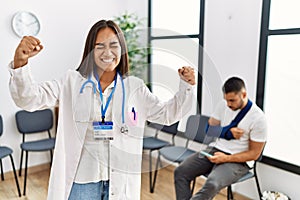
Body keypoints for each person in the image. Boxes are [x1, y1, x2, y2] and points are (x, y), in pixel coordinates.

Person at [9, 20, 196, 200]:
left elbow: (167, 114)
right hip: (82, 180)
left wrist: (185, 87)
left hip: (120, 180)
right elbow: (29, 99)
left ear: (122, 49)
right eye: (100, 46)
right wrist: (21, 63)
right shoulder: (71, 82)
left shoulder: (135, 88)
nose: (108, 52)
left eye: (113, 45)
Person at [174, 77, 267, 200]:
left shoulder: (258, 118)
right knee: (180, 171)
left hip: (238, 160)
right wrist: (227, 132)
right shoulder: (223, 105)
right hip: (215, 149)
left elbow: (254, 154)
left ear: (243, 94)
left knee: (212, 183)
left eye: (232, 100)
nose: (228, 104)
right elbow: (209, 130)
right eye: (226, 100)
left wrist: (225, 158)